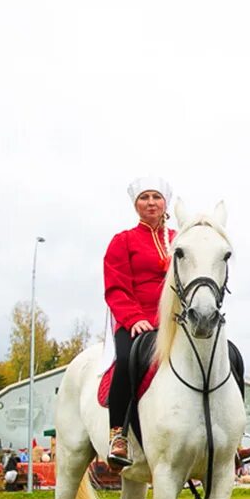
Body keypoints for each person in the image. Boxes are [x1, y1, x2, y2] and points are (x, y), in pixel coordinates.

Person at [102, 177, 176, 468]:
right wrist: (134, 319)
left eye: (156, 197)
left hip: (174, 322)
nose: (151, 202)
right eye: (144, 197)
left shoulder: (179, 239)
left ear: (165, 203)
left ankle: (229, 440)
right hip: (137, 321)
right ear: (136, 204)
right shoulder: (123, 241)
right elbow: (116, 287)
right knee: (125, 361)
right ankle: (118, 435)